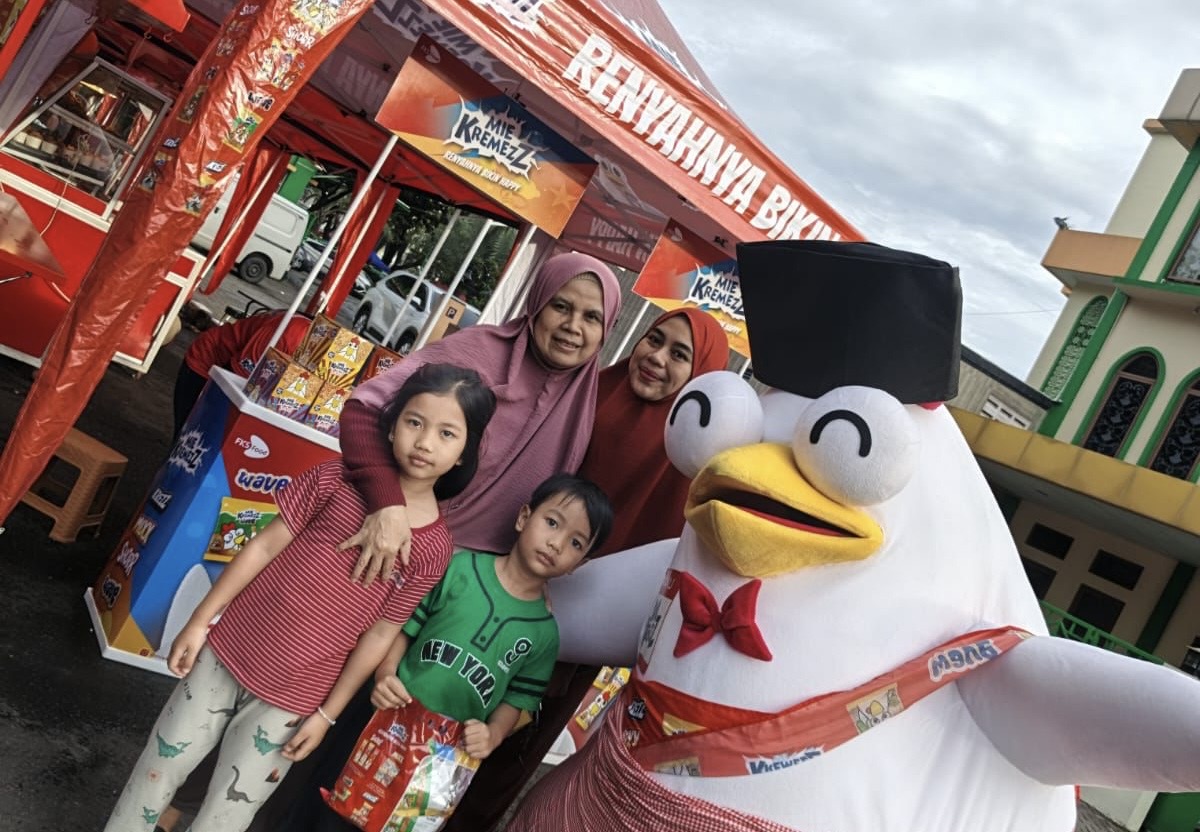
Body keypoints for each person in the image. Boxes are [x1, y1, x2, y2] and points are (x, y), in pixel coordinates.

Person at [102, 364, 496, 832]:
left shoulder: (432, 549)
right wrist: (200, 620)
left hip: (297, 698)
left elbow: (381, 633)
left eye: (447, 433)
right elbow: (263, 547)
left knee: (229, 813)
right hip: (227, 653)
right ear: (391, 425)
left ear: (464, 453)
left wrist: (327, 716)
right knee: (157, 770)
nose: (425, 442)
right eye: (415, 422)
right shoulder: (336, 479)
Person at [440, 306, 730, 832]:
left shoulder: (690, 459)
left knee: (507, 750)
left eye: (679, 354)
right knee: (438, 706)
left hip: (573, 636)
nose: (657, 358)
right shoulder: (588, 394)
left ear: (701, 375)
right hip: (499, 590)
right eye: (654, 340)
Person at [319, 473, 614, 831]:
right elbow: (405, 628)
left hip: (443, 757)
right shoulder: (461, 569)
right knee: (337, 811)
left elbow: (518, 700)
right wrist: (385, 673)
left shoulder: (544, 634)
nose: (556, 543)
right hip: (388, 721)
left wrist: (493, 735)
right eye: (552, 523)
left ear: (579, 565)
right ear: (524, 517)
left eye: (576, 543)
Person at [337, 251, 621, 573]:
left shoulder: (583, 405)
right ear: (537, 304)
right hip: (384, 529)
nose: (572, 326)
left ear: (606, 329)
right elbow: (362, 410)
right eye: (561, 306)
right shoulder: (476, 351)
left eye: (591, 317)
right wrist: (387, 501)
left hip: (470, 574)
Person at [173, 310, 311, 435]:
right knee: (190, 433)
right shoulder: (293, 332)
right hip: (208, 362)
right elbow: (234, 378)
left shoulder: (316, 353)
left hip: (241, 376)